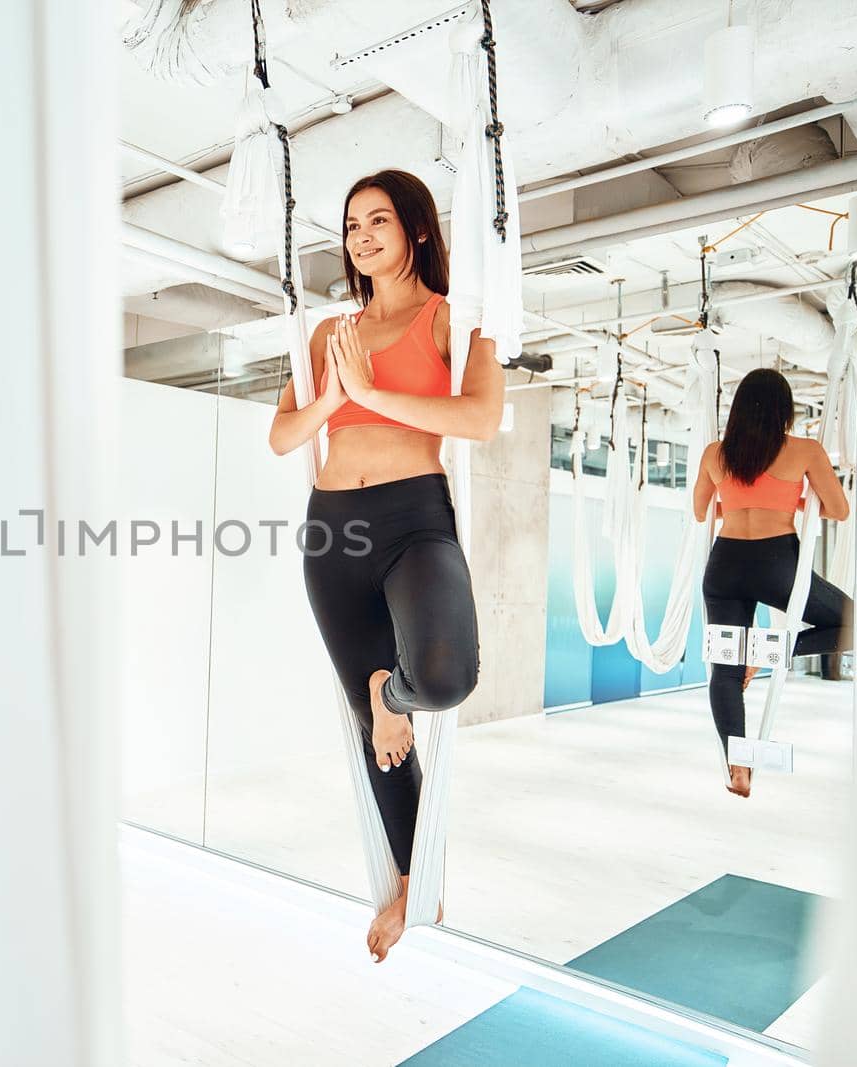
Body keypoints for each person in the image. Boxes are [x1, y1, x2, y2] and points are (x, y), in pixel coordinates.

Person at [267, 170, 503, 962]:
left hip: (413, 520)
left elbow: (480, 417)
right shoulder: (328, 332)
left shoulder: (453, 319)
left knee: (442, 677)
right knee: (381, 737)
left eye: (379, 220)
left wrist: (374, 390)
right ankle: (408, 880)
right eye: (351, 224)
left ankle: (389, 688)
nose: (361, 236)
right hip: (333, 533)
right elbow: (284, 437)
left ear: (418, 232)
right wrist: (340, 395)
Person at [692, 368, 853, 798]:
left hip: (724, 566)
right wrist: (796, 497)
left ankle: (737, 767)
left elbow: (702, 511)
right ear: (784, 410)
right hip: (775, 561)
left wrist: (746, 499)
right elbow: (838, 510)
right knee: (855, 622)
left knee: (724, 669)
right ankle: (771, 652)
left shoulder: (717, 454)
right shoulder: (804, 451)